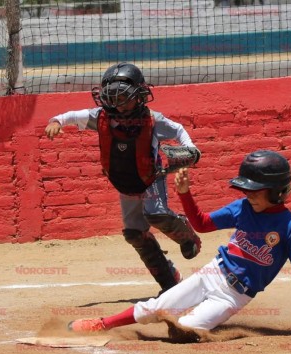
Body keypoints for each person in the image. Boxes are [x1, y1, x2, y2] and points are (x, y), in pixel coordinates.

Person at [68, 150, 291, 340]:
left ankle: (185, 318)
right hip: (213, 273)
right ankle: (103, 323)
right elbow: (202, 223)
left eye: (255, 190)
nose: (248, 195)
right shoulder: (242, 208)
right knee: (152, 308)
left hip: (235, 296)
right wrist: (185, 193)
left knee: (188, 330)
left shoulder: (290, 225)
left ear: (276, 192)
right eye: (245, 190)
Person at [44, 62, 201, 294]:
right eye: (112, 98)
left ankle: (188, 238)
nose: (118, 104)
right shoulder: (101, 117)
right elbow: (70, 115)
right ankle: (170, 284)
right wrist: (56, 121)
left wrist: (191, 148)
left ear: (139, 96)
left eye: (124, 97)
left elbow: (178, 129)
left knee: (156, 214)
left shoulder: (152, 120)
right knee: (134, 234)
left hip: (151, 177)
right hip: (124, 183)